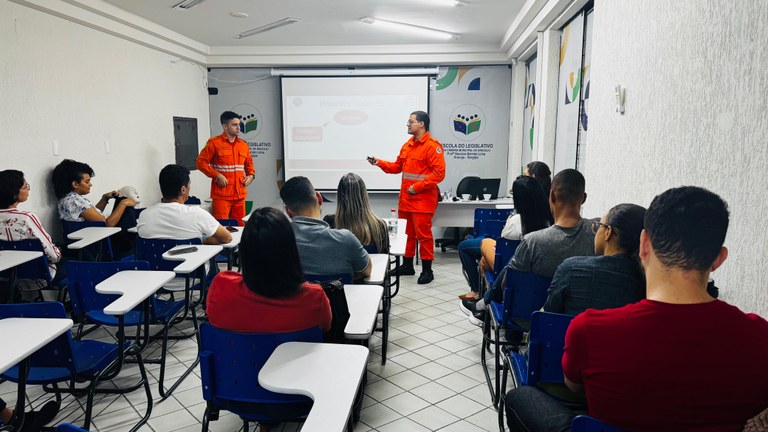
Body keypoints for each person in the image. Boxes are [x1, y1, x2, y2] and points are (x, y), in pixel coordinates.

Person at [504, 186, 768, 431]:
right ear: (719, 259)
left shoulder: (591, 328)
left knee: (520, 397)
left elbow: (573, 386)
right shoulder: (760, 338)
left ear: (644, 245)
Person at [461, 169, 595, 325]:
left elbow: (508, 283)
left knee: (502, 262)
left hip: (530, 318)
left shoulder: (533, 242)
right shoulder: (597, 233)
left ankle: (481, 304)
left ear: (551, 196)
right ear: (584, 199)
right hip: (583, 321)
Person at [206, 207, 331, 333]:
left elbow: (212, 317)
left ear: (245, 250)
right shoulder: (314, 299)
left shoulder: (221, 287)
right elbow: (326, 328)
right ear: (290, 249)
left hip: (237, 352)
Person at [368, 110, 446, 284]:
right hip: (406, 200)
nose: (408, 124)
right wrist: (379, 162)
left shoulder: (433, 146)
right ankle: (407, 266)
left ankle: (427, 270)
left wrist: (417, 187)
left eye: (411, 121)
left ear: (421, 124)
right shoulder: (407, 145)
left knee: (424, 236)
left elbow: (439, 174)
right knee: (406, 235)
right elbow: (397, 167)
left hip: (423, 201)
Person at [457, 175, 550, 300]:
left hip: (509, 266)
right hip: (536, 269)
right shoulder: (549, 220)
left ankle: (476, 291)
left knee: (479, 244)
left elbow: (504, 244)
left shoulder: (516, 221)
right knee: (484, 257)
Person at [543, 203, 646, 315]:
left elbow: (548, 317)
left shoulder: (571, 269)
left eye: (598, 226)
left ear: (608, 232)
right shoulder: (647, 282)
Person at [280, 176, 371, 280]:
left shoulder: (278, 241)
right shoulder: (346, 239)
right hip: (337, 297)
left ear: (288, 211)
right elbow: (367, 270)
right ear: (319, 198)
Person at [52, 159, 137, 256]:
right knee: (125, 205)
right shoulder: (75, 201)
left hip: (92, 241)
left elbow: (94, 218)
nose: (90, 184)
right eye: (87, 181)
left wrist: (104, 199)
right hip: (99, 246)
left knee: (120, 201)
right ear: (75, 184)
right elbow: (106, 225)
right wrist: (123, 203)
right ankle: (133, 248)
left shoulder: (67, 199)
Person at [137, 164, 232, 245]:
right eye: (189, 185)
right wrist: (202, 240)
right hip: (193, 266)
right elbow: (227, 238)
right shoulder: (197, 214)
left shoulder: (144, 215)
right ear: (183, 189)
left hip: (154, 266)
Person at [0, 170, 62, 281]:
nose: (28, 189)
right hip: (38, 273)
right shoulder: (27, 218)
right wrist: (58, 252)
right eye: (25, 187)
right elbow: (53, 256)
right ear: (14, 193)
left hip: (4, 274)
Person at [196, 111, 255, 225]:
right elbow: (200, 162)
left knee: (240, 227)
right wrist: (216, 175)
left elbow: (249, 164)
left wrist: (251, 175)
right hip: (222, 196)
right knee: (222, 226)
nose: (238, 127)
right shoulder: (214, 143)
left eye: (239, 124)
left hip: (239, 195)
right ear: (225, 126)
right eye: (234, 125)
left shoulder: (243, 144)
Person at [323, 173, 389, 254]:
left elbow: (325, 257)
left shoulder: (329, 223)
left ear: (340, 196)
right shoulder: (380, 226)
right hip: (373, 267)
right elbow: (385, 261)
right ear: (364, 195)